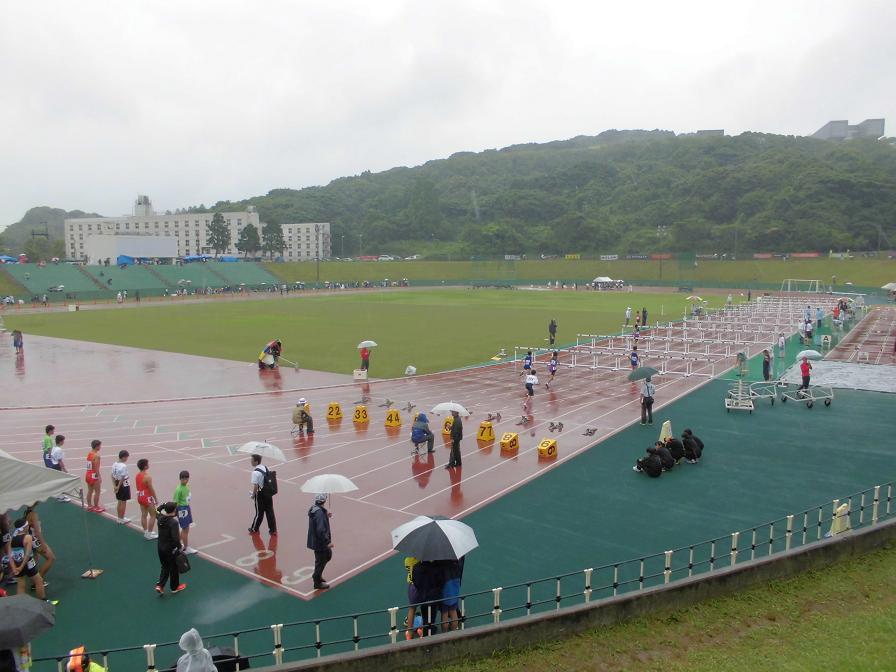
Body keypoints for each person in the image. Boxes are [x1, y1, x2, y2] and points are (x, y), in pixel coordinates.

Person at [10, 518, 49, 601]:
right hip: (27, 563)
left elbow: (10, 555)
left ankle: (19, 606)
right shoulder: (27, 537)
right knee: (39, 580)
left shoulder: (12, 539)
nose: (28, 527)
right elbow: (27, 554)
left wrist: (15, 568)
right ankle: (43, 603)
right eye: (27, 525)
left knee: (21, 584)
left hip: (17, 563)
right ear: (24, 527)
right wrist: (22, 566)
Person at [155, 502, 186, 595]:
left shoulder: (160, 518)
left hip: (160, 547)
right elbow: (176, 538)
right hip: (170, 549)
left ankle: (160, 585)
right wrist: (180, 547)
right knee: (173, 568)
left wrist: (163, 505)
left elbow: (156, 510)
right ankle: (174, 587)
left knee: (164, 566)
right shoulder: (173, 522)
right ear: (174, 511)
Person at [307, 493, 332, 590]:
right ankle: (316, 581)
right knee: (321, 560)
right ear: (324, 500)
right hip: (320, 542)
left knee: (327, 555)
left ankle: (318, 574)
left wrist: (326, 515)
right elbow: (321, 530)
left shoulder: (316, 509)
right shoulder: (320, 513)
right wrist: (327, 542)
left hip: (316, 540)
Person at [249, 454, 277, 536]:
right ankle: (273, 530)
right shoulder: (265, 467)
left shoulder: (255, 472)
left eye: (252, 460)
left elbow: (256, 486)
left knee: (259, 512)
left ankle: (254, 528)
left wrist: (253, 495)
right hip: (268, 493)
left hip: (260, 495)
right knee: (270, 511)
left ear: (256, 461)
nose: (251, 461)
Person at [173, 470, 197, 554]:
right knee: (185, 528)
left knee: (185, 528)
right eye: (183, 479)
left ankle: (176, 544)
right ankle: (186, 548)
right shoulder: (178, 489)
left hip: (186, 507)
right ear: (180, 479)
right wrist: (175, 512)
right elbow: (175, 502)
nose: (185, 480)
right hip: (182, 509)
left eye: (187, 479)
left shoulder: (186, 486)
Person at [136, 459, 158, 540]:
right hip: (147, 497)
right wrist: (155, 499)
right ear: (145, 466)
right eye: (147, 464)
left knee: (144, 514)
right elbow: (151, 489)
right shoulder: (147, 477)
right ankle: (149, 534)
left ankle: (146, 531)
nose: (148, 464)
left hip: (140, 496)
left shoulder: (137, 475)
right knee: (153, 515)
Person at [440, 557, 465, 631]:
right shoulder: (460, 556)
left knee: (444, 613)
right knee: (453, 610)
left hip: (445, 585)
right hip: (456, 583)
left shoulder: (442, 556)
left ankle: (445, 635)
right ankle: (453, 634)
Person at [47, 434, 72, 502]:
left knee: (57, 481)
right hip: (57, 466)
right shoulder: (59, 449)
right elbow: (60, 460)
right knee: (60, 481)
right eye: (63, 441)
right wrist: (65, 470)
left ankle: (58, 494)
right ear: (60, 441)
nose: (64, 442)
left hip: (53, 465)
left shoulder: (54, 448)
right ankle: (60, 497)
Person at [110, 450, 131, 524]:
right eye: (126, 457)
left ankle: (119, 518)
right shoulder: (123, 466)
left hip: (116, 482)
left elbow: (112, 475)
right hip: (123, 484)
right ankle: (122, 518)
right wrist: (118, 486)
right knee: (123, 502)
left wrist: (115, 486)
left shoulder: (114, 464)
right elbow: (122, 477)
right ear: (124, 457)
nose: (127, 459)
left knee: (119, 501)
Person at [85, 439, 103, 512]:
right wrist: (99, 476)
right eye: (99, 446)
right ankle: (96, 506)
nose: (100, 447)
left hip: (88, 474)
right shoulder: (97, 456)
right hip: (94, 475)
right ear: (96, 446)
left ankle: (89, 505)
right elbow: (96, 467)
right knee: (97, 491)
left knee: (90, 491)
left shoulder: (89, 453)